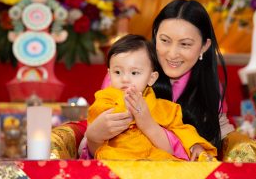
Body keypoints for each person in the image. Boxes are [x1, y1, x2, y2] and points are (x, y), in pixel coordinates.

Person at [83, 0, 256, 163]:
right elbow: (96, 142)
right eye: (164, 40)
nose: (172, 54)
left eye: (185, 44)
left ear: (204, 47)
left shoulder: (208, 87)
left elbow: (219, 136)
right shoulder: (125, 76)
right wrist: (93, 136)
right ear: (155, 36)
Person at [87, 34, 217, 160]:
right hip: (118, 160)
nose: (125, 79)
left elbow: (183, 131)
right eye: (117, 72)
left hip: (155, 163)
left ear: (151, 78)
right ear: (109, 75)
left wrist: (194, 145)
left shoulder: (166, 108)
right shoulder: (104, 101)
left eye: (134, 72)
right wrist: (94, 134)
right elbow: (92, 142)